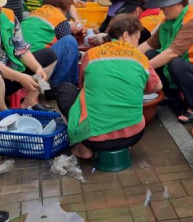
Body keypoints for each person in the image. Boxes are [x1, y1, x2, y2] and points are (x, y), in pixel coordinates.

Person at [56, 14, 162, 159]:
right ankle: (122, 144)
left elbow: (83, 89)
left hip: (94, 139)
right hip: (134, 135)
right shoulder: (140, 57)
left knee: (66, 89)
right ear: (125, 35)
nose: (137, 43)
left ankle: (84, 148)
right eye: (137, 38)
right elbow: (157, 87)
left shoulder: (91, 54)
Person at [21, 0, 81, 89]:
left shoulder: (35, 13)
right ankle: (64, 87)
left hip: (24, 60)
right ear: (67, 6)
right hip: (40, 62)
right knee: (70, 42)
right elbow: (67, 50)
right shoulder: (60, 19)